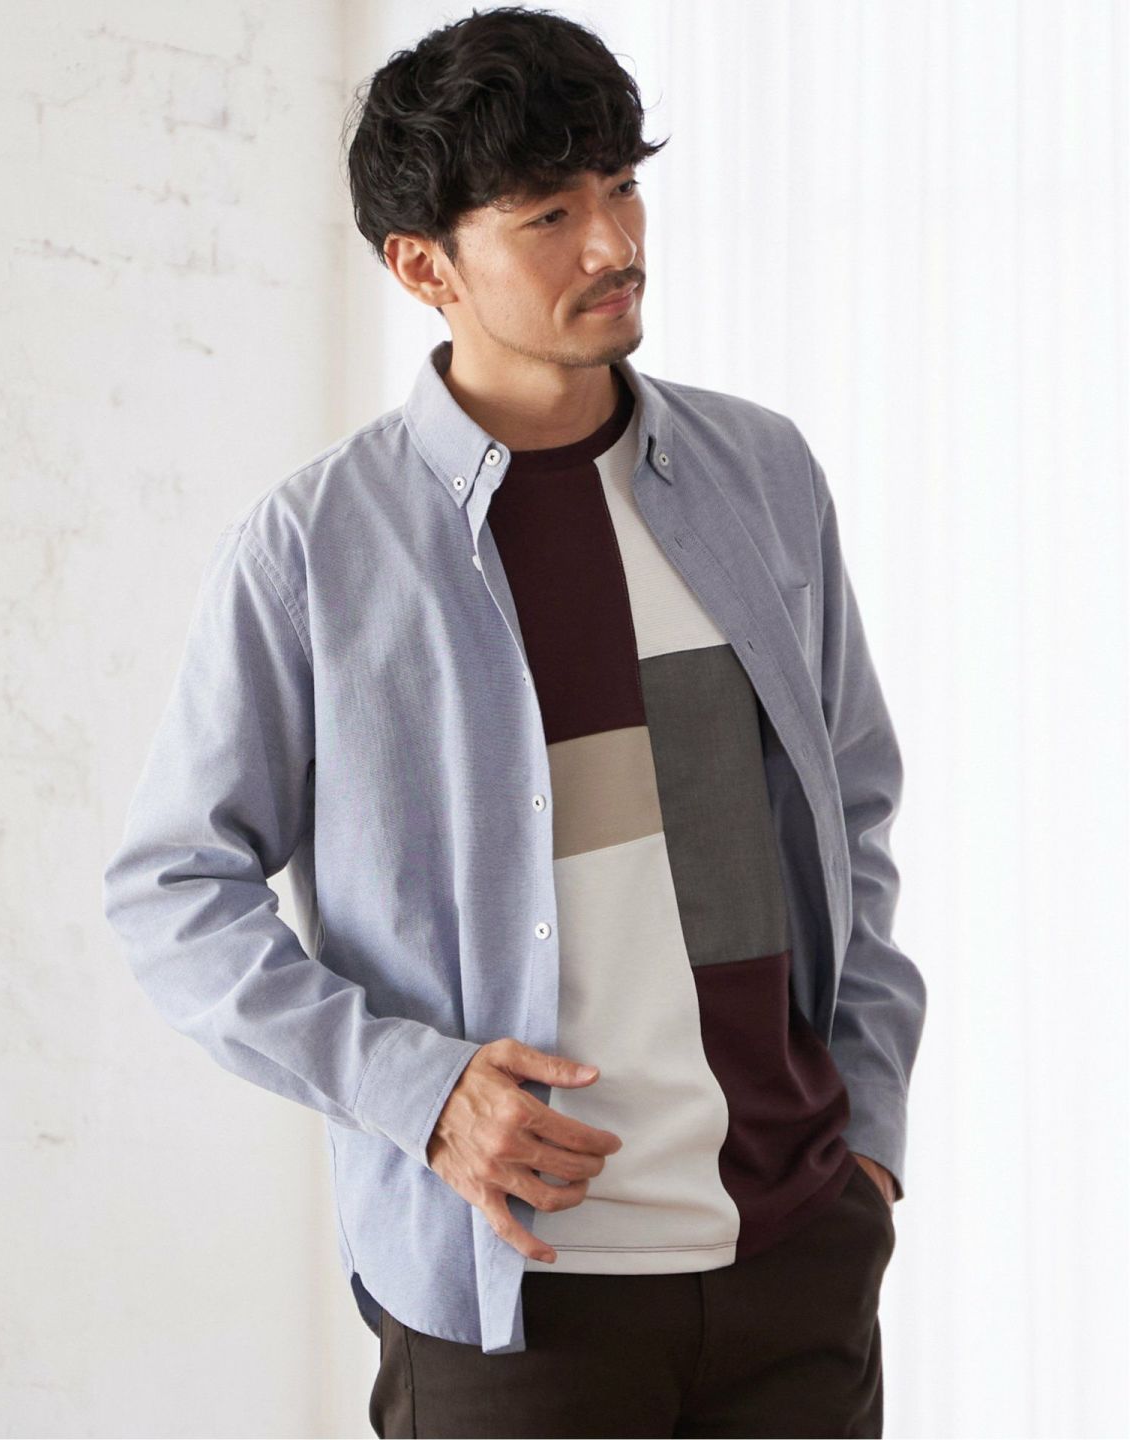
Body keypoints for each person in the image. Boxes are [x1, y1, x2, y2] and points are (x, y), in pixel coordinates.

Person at [103, 5, 927, 1436]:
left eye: (622, 187)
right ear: (423, 266)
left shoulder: (762, 475)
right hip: (518, 1298)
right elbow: (174, 891)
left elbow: (849, 807)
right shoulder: (317, 549)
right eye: (550, 213)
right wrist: (421, 1094)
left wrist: (869, 1127)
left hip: (796, 1260)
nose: (612, 243)